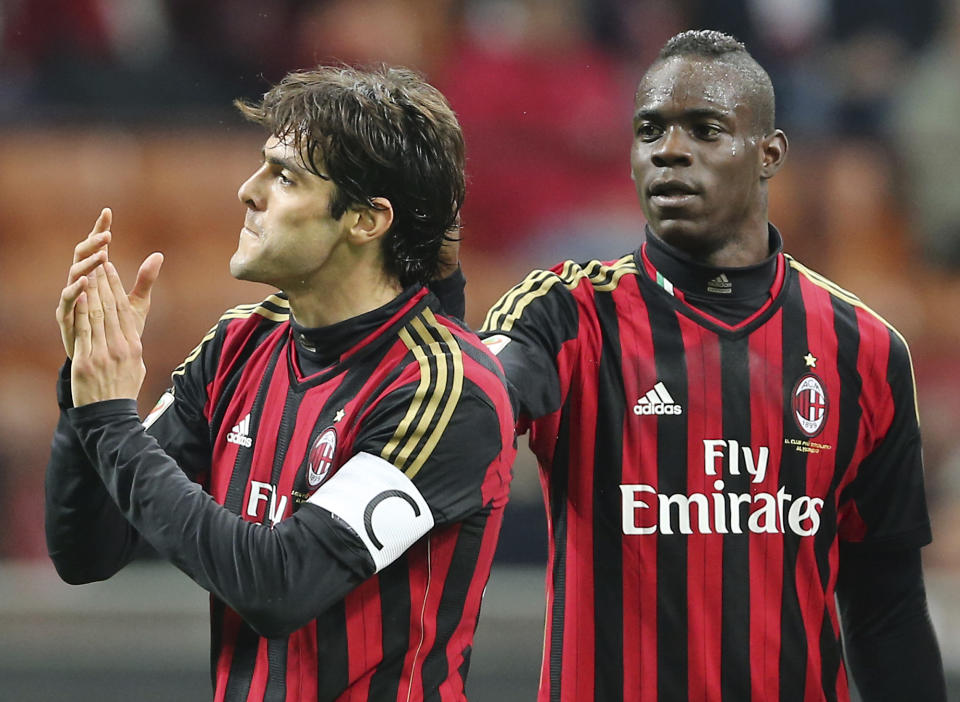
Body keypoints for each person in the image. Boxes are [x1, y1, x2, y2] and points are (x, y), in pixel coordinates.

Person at [456, 30, 947, 701]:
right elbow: (480, 392)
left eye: (705, 129)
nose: (670, 151)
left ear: (770, 154)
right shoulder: (566, 313)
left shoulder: (864, 347)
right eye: (650, 130)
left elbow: (886, 607)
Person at [46, 65, 515, 702]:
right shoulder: (241, 343)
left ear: (366, 220)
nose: (247, 190)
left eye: (285, 175)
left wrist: (108, 421)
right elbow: (88, 552)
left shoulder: (446, 389)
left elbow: (278, 585)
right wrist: (86, 392)